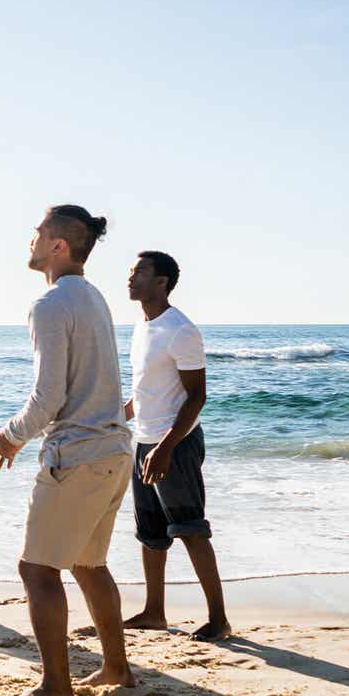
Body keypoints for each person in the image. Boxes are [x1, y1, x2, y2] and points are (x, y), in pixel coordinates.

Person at [0, 204, 134, 696]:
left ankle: (56, 689)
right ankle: (116, 668)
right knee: (89, 564)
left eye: (37, 233)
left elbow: (48, 394)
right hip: (114, 449)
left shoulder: (50, 303)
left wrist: (11, 435)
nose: (30, 240)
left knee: (37, 570)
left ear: (58, 246)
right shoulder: (93, 297)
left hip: (79, 454)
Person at [120, 251, 230, 641]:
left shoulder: (181, 330)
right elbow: (144, 390)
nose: (130, 277)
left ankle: (219, 618)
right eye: (131, 271)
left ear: (163, 281)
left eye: (140, 272)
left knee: (190, 528)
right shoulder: (141, 326)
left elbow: (196, 397)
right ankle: (154, 612)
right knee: (150, 532)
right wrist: (117, 419)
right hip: (144, 441)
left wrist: (166, 447)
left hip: (175, 444)